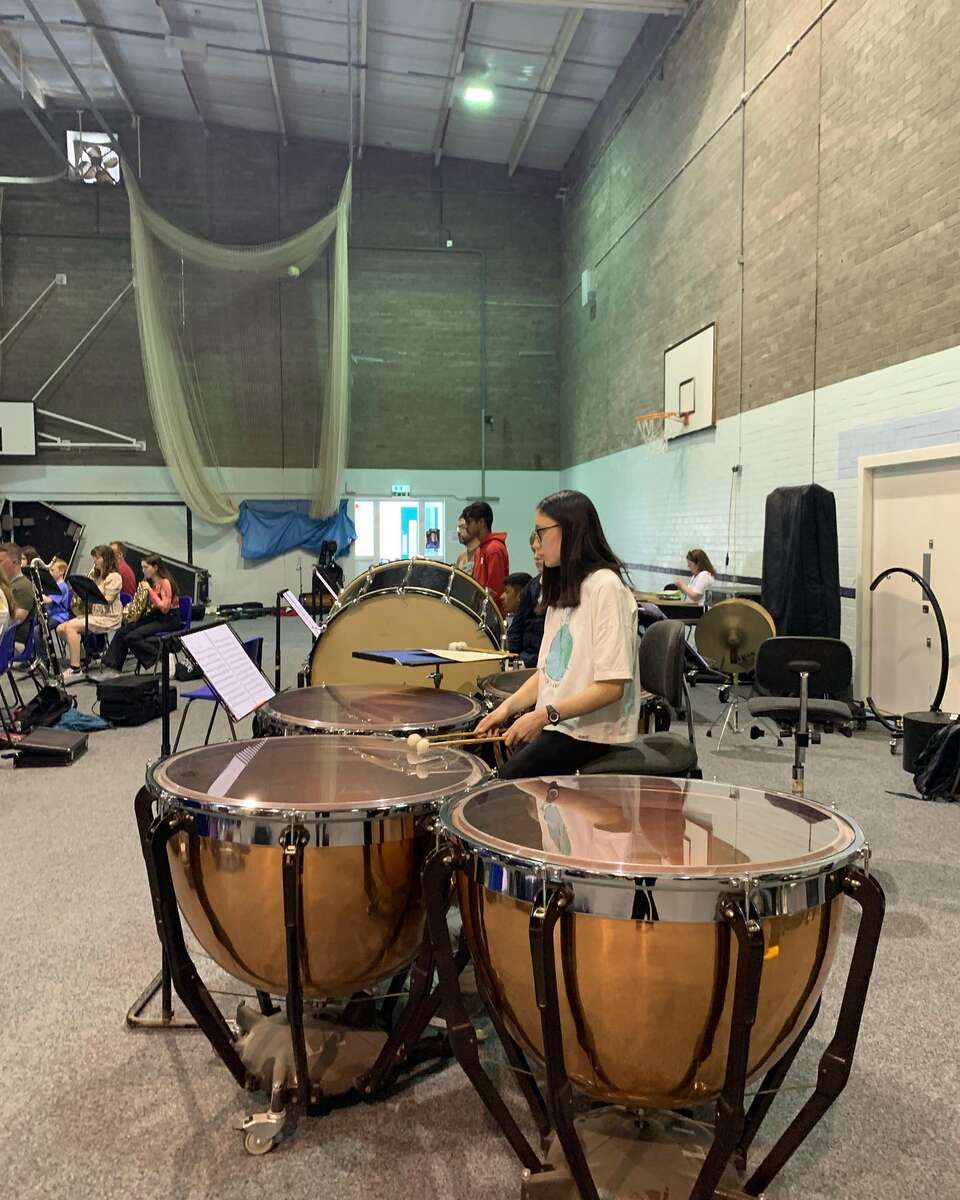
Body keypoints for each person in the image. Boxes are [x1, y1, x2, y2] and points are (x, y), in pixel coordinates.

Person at [475, 490, 641, 779]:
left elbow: (611, 687)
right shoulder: (563, 589)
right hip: (561, 727)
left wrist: (542, 716)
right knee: (484, 757)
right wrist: (505, 709)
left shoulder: (606, 588)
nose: (536, 544)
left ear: (571, 531)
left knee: (498, 788)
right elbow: (548, 673)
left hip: (591, 736)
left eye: (541, 532)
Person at [102, 554, 181, 671]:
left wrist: (149, 591)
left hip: (168, 619)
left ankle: (163, 658)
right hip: (155, 616)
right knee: (122, 631)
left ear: (155, 567)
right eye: (142, 567)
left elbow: (165, 608)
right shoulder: (149, 581)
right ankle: (113, 666)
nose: (143, 571)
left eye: (146, 567)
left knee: (132, 637)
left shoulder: (165, 583)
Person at [56, 544, 122, 679]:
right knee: (60, 628)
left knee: (71, 627)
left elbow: (108, 600)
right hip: (95, 614)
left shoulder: (115, 577)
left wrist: (90, 592)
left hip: (109, 616)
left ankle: (75, 668)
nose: (95, 561)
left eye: (97, 558)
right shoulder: (96, 575)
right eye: (94, 558)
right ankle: (82, 658)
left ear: (106, 559)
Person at [460, 501, 509, 614]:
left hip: (491, 616)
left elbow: (495, 590)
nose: (466, 526)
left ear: (481, 522)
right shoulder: (480, 550)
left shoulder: (494, 549)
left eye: (470, 522)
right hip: (480, 612)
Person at [508, 533, 546, 667]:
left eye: (541, 549)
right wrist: (512, 659)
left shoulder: (567, 588)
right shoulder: (531, 587)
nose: (536, 556)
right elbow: (516, 629)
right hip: (525, 659)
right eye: (533, 550)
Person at [0, 542, 37, 648]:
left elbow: (16, 620)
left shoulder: (24, 586)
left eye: (0, 561)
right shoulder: (9, 584)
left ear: (14, 562)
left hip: (13, 643)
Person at [44, 559, 73, 628]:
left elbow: (48, 600)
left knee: (38, 630)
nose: (50, 573)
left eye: (52, 570)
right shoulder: (55, 585)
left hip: (59, 617)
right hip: (51, 615)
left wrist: (38, 594)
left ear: (61, 571)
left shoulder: (62, 587)